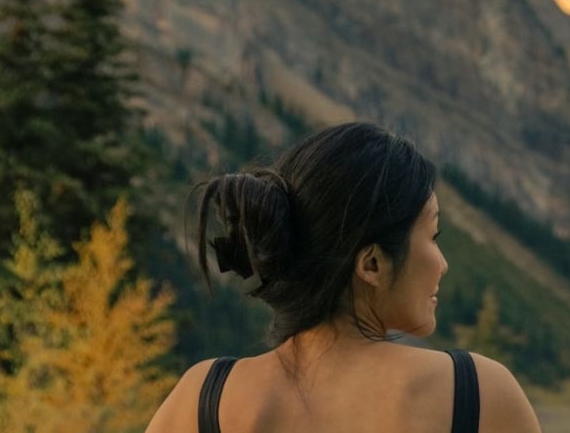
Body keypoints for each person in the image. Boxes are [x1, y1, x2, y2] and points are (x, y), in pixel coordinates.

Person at [146, 123, 541, 432]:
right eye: (432, 237)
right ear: (371, 264)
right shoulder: (474, 393)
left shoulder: (206, 398)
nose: (443, 263)